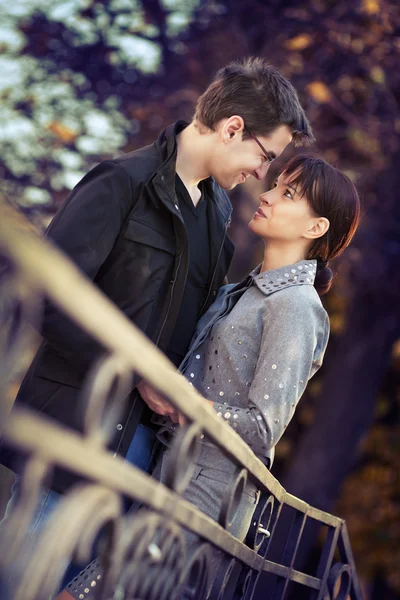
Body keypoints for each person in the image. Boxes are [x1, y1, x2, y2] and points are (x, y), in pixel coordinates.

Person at [0, 58, 314, 594]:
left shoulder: (218, 216)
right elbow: (45, 301)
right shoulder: (121, 183)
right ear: (232, 127)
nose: (261, 174)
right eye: (263, 156)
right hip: (71, 434)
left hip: (142, 457)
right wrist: (137, 372)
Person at [61, 153, 360, 600]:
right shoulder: (243, 291)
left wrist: (188, 405)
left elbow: (263, 428)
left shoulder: (296, 306)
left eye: (289, 194)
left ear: (315, 228)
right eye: (275, 184)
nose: (269, 195)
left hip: (205, 503)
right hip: (169, 480)